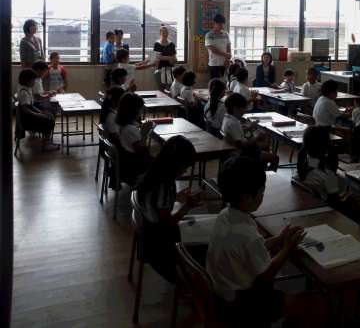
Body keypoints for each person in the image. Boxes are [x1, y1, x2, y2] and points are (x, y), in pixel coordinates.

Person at [207, 156, 326, 328]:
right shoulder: (246, 234)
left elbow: (251, 249)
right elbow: (266, 276)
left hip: (222, 293)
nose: (263, 196)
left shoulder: (225, 215)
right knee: (312, 302)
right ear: (247, 198)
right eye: (261, 193)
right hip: (242, 304)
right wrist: (287, 248)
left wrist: (278, 239)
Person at [136, 135, 200, 283]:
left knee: (196, 226)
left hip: (149, 231)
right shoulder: (164, 185)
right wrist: (187, 207)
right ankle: (185, 281)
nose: (185, 171)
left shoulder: (154, 173)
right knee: (201, 243)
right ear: (175, 164)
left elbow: (156, 203)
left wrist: (176, 197)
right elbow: (167, 223)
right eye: (185, 167)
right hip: (159, 243)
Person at [297, 126, 360, 222]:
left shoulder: (303, 166)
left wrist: (340, 196)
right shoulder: (328, 176)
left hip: (314, 209)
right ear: (326, 146)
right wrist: (347, 200)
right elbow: (336, 205)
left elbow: (330, 196)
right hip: (330, 215)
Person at [222, 93, 278, 170]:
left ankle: (260, 169)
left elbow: (237, 135)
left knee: (264, 146)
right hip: (242, 154)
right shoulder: (233, 123)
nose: (244, 111)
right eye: (243, 108)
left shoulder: (228, 118)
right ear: (235, 108)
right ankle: (261, 172)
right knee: (275, 158)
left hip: (238, 150)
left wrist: (249, 128)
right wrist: (257, 138)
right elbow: (241, 145)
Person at [115, 92, 153, 182]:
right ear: (133, 111)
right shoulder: (130, 129)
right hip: (135, 167)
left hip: (126, 163)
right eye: (140, 109)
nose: (141, 112)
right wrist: (144, 134)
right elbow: (141, 152)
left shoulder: (121, 124)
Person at [16, 68, 56, 149]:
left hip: (28, 116)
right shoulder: (24, 93)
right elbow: (25, 109)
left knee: (49, 115)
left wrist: (40, 112)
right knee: (49, 121)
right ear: (27, 80)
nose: (34, 82)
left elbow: (31, 105)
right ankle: (46, 144)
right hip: (27, 120)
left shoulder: (26, 88)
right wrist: (38, 115)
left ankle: (46, 141)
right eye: (33, 80)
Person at [205, 14, 231, 80]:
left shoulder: (226, 34)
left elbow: (228, 46)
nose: (221, 26)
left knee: (224, 83)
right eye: (220, 24)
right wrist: (226, 55)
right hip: (214, 64)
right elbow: (212, 49)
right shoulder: (209, 35)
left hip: (224, 63)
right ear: (214, 23)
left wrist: (228, 59)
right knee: (215, 84)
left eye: (222, 24)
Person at [153, 24, 177, 91]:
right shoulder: (157, 44)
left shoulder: (172, 44)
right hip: (160, 69)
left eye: (166, 32)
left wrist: (172, 59)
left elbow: (174, 58)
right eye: (163, 32)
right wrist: (169, 58)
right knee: (161, 90)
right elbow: (158, 57)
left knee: (170, 89)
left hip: (170, 69)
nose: (165, 34)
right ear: (160, 33)